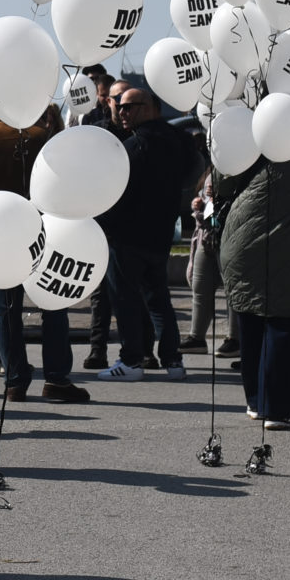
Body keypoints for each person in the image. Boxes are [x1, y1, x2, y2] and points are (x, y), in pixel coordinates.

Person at [0, 101, 85, 403]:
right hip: (45, 231)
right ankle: (56, 378)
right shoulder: (43, 137)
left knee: (6, 310)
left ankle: (14, 380)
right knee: (53, 303)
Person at [213, 133, 290, 427]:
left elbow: (222, 181)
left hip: (240, 238)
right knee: (283, 324)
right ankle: (277, 410)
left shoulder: (244, 131)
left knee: (251, 323)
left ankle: (256, 401)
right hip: (289, 241)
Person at [95, 85, 195, 380]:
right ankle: (173, 360)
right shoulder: (178, 139)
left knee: (125, 299)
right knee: (158, 298)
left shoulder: (134, 146)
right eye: (119, 106)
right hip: (160, 234)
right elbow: (193, 170)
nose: (121, 112)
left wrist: (105, 224)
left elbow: (117, 192)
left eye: (128, 107)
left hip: (128, 236)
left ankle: (131, 360)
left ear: (150, 108)